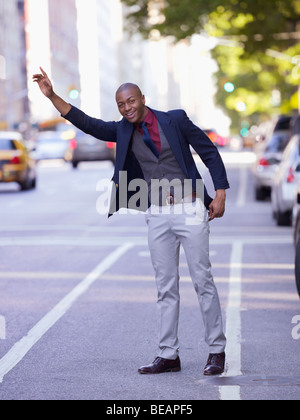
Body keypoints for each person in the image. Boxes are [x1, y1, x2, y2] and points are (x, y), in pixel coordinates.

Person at [33, 68, 230, 376]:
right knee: (165, 286)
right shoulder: (123, 130)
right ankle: (168, 354)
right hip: (156, 212)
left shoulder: (174, 119)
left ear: (142, 99)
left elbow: (209, 152)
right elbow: (88, 124)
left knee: (202, 280)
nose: (126, 108)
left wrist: (220, 192)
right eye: (121, 104)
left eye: (130, 101)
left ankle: (216, 350)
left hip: (190, 207)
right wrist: (52, 95)